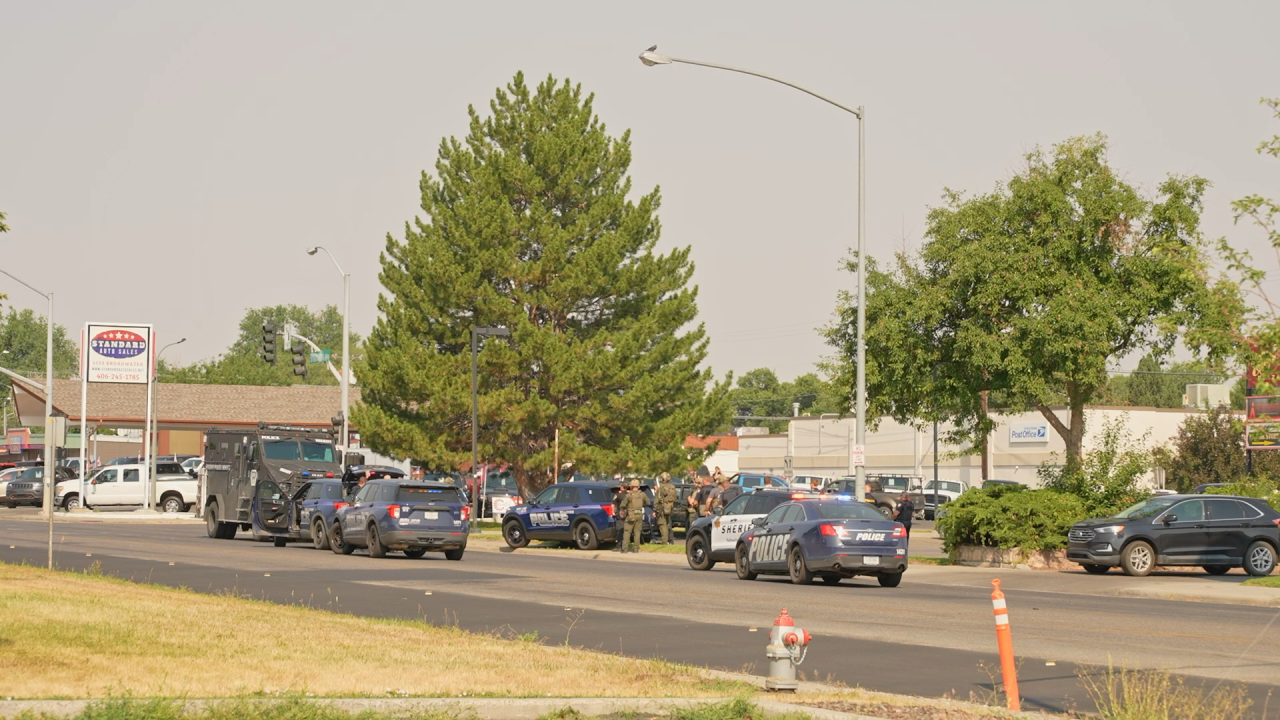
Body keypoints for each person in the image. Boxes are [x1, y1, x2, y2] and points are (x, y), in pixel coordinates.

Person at [622, 478, 649, 553]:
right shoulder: (642, 494)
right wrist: (641, 505)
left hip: (631, 514)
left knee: (627, 531)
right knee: (637, 532)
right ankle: (636, 549)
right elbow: (648, 502)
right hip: (639, 514)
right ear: (638, 486)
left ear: (631, 486)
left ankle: (625, 548)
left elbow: (623, 504)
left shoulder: (628, 495)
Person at [654, 472, 678, 544]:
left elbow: (657, 500)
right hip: (670, 507)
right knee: (668, 523)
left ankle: (664, 541)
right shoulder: (673, 487)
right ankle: (670, 540)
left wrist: (655, 509)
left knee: (662, 524)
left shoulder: (661, 488)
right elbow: (675, 498)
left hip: (662, 508)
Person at [612, 484, 629, 552]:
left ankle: (619, 546)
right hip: (628, 514)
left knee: (619, 531)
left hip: (620, 515)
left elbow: (613, 505)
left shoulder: (618, 495)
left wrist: (615, 512)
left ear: (622, 487)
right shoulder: (629, 495)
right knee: (627, 531)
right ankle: (625, 545)